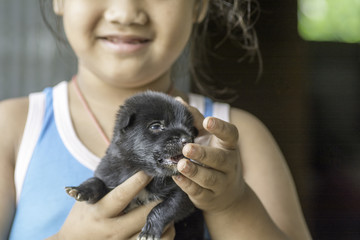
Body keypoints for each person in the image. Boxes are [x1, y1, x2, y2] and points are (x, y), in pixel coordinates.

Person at [0, 0, 312, 239]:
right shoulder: (12, 128)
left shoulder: (241, 139)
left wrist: (231, 203)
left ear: (199, 5)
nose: (126, 13)